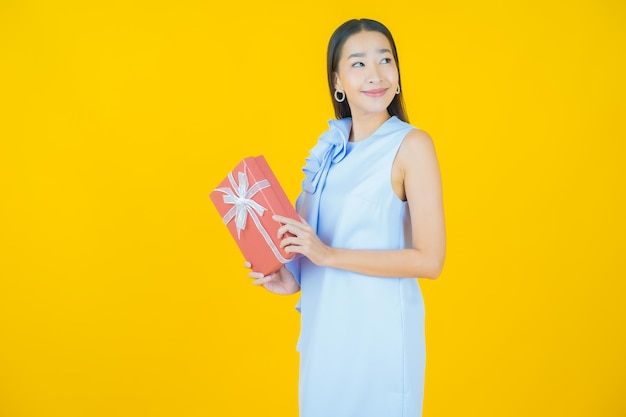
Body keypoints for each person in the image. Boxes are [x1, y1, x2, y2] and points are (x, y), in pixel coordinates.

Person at [245, 18, 446, 417]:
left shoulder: (411, 145)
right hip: (325, 339)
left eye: (385, 60)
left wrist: (329, 256)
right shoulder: (328, 150)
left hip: (379, 341)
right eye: (358, 64)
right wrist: (292, 277)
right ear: (337, 81)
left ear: (398, 73)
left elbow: (429, 259)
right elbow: (316, 248)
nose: (375, 74)